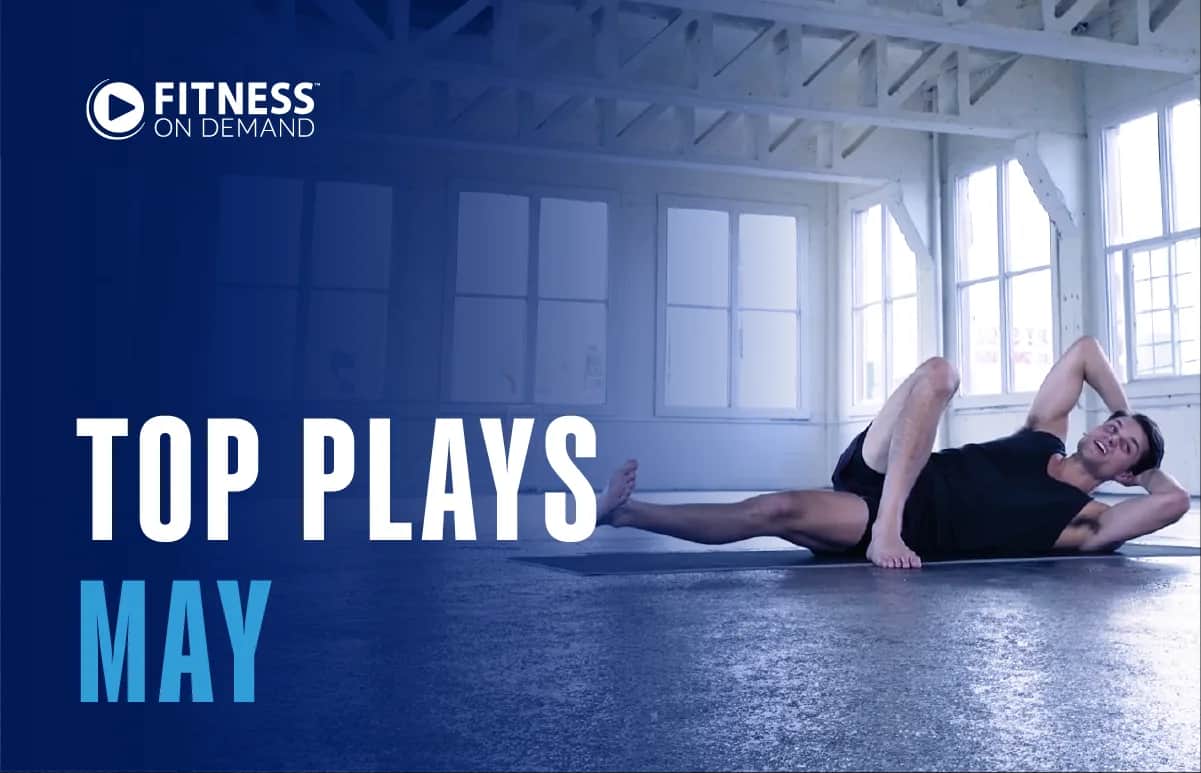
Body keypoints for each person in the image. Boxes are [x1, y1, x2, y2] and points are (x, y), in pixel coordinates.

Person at [595, 336, 1190, 569]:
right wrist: (1126, 413)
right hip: (890, 471)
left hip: (909, 524)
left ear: (1128, 472)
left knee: (772, 512)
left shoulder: (1085, 521)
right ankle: (885, 522)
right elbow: (1086, 351)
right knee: (939, 373)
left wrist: (1150, 470)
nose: (1112, 436)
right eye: (1115, 427)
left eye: (1125, 447)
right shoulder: (1044, 433)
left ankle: (622, 512)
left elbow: (1175, 502)